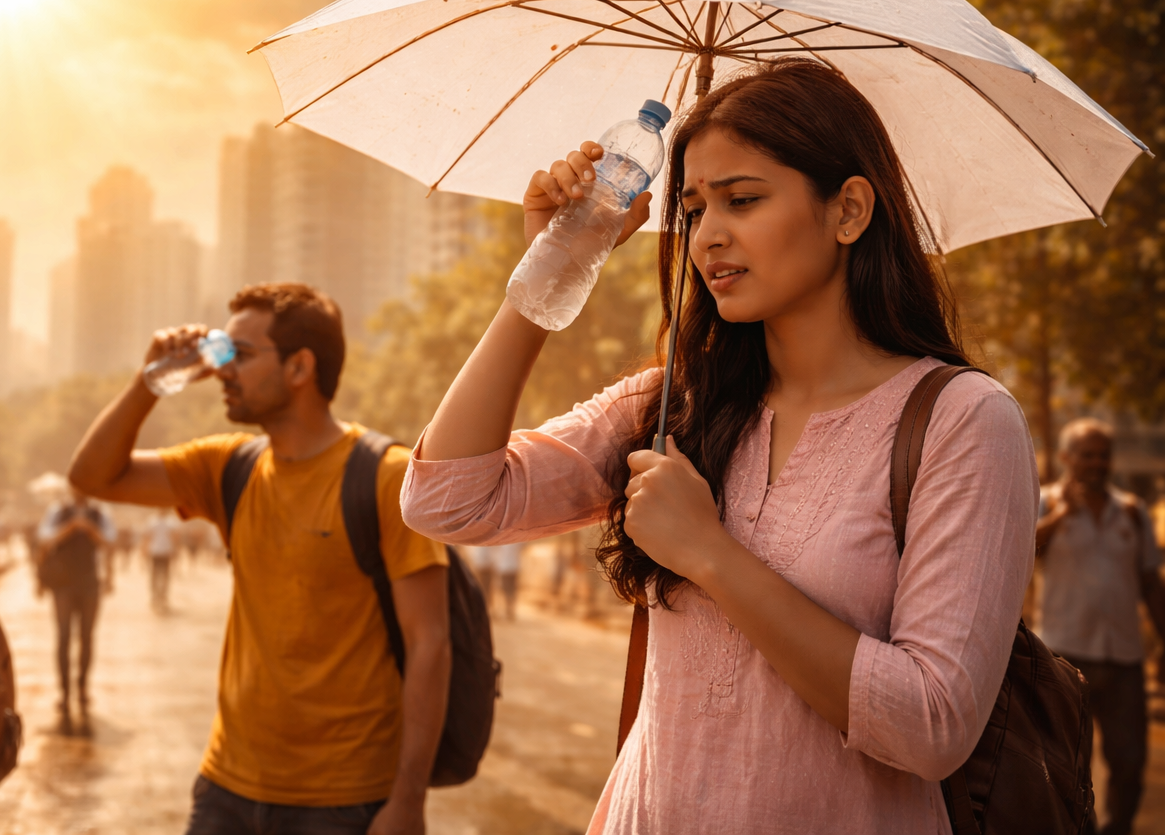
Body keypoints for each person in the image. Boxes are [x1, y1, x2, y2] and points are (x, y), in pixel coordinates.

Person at [401, 60, 1038, 833]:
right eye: (695, 207)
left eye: (743, 200)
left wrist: (709, 553)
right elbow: (445, 500)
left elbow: (932, 724)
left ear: (849, 210)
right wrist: (552, 268)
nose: (708, 236)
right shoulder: (681, 402)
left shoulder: (962, 422)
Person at [69, 283, 451, 835]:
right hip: (227, 787)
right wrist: (149, 380)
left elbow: (430, 644)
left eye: (239, 356)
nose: (221, 370)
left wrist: (409, 800)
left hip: (343, 800)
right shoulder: (229, 466)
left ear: (300, 368)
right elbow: (91, 476)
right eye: (222, 354)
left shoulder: (386, 476)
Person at [1034, 418, 1165, 835]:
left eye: (1103, 454)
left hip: (1124, 658)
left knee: (1129, 762)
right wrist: (1062, 515)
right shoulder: (1044, 503)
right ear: (1067, 458)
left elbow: (1150, 581)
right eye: (1087, 454)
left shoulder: (1131, 510)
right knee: (1069, 768)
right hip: (1065, 659)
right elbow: (1021, 549)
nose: (1096, 463)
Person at [35, 484, 116, 723]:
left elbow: (109, 542)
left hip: (90, 582)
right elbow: (44, 539)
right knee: (63, 636)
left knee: (87, 636)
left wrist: (89, 529)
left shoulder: (100, 513)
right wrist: (71, 528)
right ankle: (64, 691)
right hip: (63, 583)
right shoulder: (58, 512)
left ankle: (82, 687)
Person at [146, 513, 176, 614]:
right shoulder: (169, 522)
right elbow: (174, 538)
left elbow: (148, 537)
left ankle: (159, 597)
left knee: (159, 576)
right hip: (160, 552)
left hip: (160, 552)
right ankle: (158, 597)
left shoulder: (154, 521)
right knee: (161, 576)